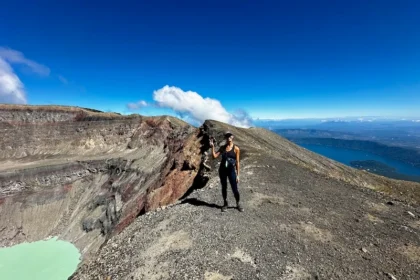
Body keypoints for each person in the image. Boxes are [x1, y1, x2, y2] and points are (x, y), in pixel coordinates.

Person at [209, 131, 244, 212]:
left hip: (231, 170)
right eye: (227, 137)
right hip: (222, 170)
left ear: (232, 137)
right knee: (224, 187)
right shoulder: (222, 148)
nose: (229, 138)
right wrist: (212, 147)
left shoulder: (236, 149)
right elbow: (214, 156)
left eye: (230, 136)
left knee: (234, 188)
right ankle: (225, 204)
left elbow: (237, 162)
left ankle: (238, 203)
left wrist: (238, 175)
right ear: (225, 138)